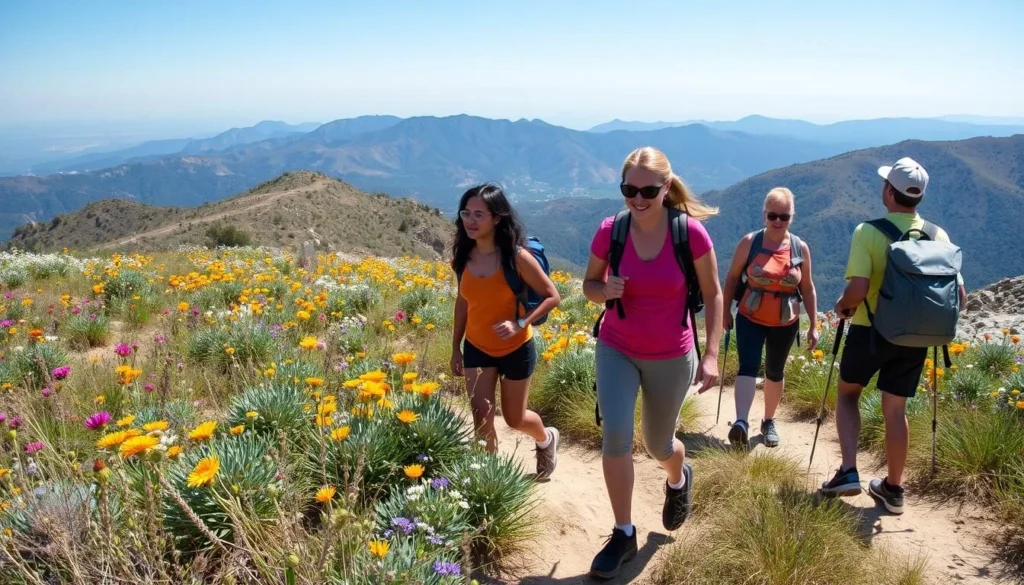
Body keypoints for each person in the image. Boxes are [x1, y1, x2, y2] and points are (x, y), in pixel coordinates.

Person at [582, 147, 723, 579]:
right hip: (617, 346)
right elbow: (588, 284)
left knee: (658, 445)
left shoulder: (690, 234)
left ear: (666, 187)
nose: (638, 198)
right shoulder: (612, 231)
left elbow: (714, 293)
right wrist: (604, 292)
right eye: (629, 189)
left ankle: (678, 478)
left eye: (647, 190)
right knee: (616, 435)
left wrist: (713, 353)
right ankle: (623, 532)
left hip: (671, 354)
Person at [821, 157, 967, 514]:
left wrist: (842, 307)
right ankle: (894, 489)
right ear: (918, 196)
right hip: (916, 338)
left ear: (889, 191)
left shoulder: (868, 232)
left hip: (870, 332)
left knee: (847, 395)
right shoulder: (938, 236)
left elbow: (857, 289)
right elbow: (959, 297)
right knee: (895, 409)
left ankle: (849, 471)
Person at [450, 183, 562, 479]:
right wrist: (455, 347)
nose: (470, 221)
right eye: (466, 213)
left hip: (516, 349)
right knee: (481, 420)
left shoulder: (516, 257)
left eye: (479, 215)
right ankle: (490, 485)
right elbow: (462, 302)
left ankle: (546, 439)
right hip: (476, 347)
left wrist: (520, 323)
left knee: (515, 419)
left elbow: (553, 296)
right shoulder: (463, 256)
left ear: (497, 218)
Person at [721, 187, 818, 450]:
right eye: (772, 215)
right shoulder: (749, 243)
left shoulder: (800, 248)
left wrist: (814, 325)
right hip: (749, 317)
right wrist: (724, 313)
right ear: (764, 214)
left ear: (791, 217)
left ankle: (768, 421)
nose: (777, 221)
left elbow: (807, 287)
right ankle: (741, 422)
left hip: (785, 323)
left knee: (775, 372)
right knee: (748, 366)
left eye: (783, 217)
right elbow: (731, 278)